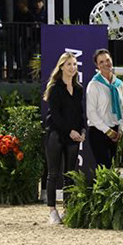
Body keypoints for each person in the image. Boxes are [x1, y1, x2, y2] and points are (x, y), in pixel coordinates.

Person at [44, 52, 86, 225]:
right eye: (69, 64)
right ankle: (52, 211)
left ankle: (68, 209)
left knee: (70, 174)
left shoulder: (79, 89)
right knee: (53, 173)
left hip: (73, 136)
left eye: (74, 64)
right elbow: (55, 115)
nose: (72, 67)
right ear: (61, 67)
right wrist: (70, 131)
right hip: (56, 134)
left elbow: (80, 113)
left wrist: (82, 130)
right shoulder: (55, 88)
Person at [86, 49, 123, 168]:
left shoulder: (119, 84)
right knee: (104, 169)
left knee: (113, 169)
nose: (105, 64)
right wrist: (107, 131)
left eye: (107, 60)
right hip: (99, 132)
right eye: (101, 62)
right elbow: (91, 113)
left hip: (116, 132)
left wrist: (121, 129)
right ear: (97, 65)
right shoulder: (94, 85)